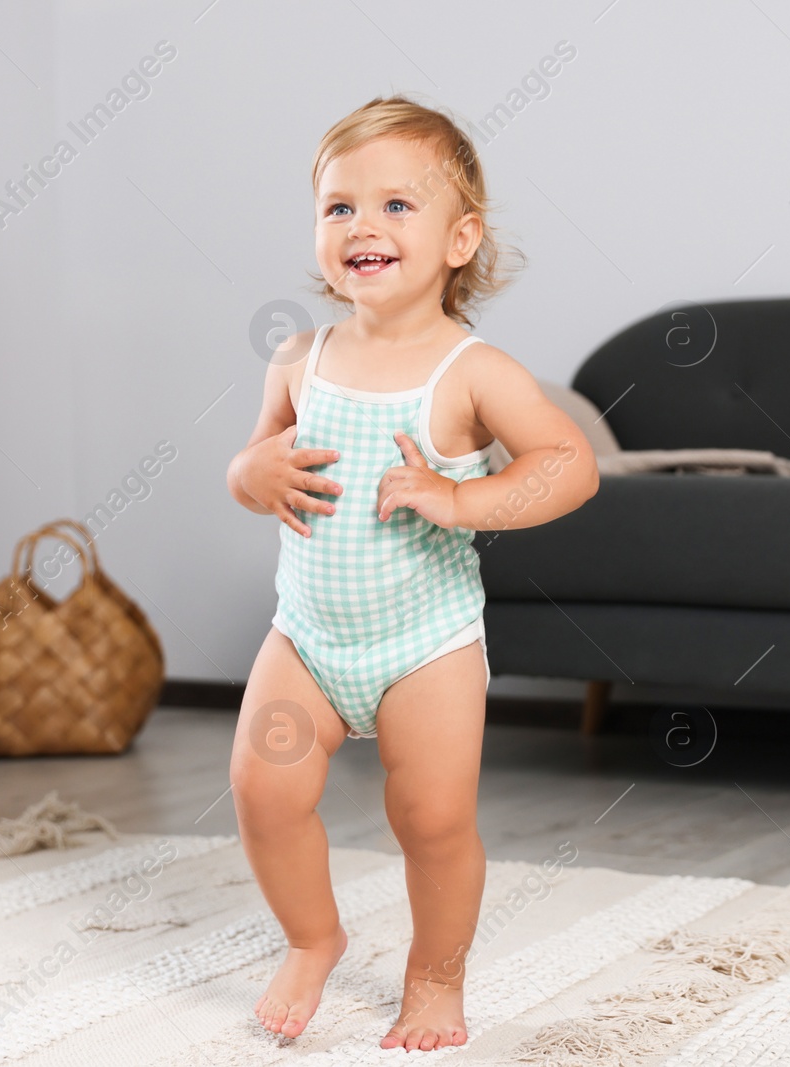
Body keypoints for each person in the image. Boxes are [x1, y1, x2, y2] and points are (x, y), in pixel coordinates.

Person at [225, 94, 600, 1051]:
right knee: (263, 793)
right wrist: (251, 473)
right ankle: (314, 938)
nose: (363, 226)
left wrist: (464, 499)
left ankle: (436, 979)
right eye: (339, 206)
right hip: (306, 637)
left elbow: (569, 464)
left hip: (423, 644)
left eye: (397, 205)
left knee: (432, 821)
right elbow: (255, 459)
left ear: (460, 237)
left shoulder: (472, 372)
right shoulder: (299, 360)